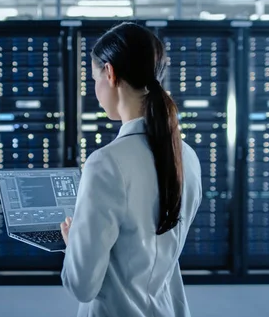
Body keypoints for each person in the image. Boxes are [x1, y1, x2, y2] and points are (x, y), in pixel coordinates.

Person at [59, 22, 203, 317]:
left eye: (94, 78)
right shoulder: (186, 156)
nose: (95, 90)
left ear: (109, 73)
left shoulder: (106, 163)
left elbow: (83, 285)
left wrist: (74, 242)